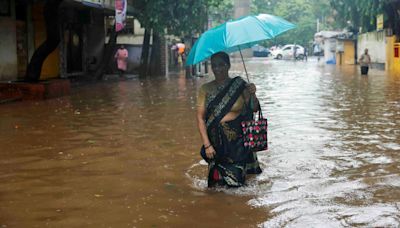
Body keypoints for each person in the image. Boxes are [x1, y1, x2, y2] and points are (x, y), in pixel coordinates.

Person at [196, 52, 262, 188]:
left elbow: (254, 109)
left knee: (237, 185)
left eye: (221, 65)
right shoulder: (205, 89)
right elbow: (200, 118)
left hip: (237, 144)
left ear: (228, 65)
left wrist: (253, 93)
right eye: (214, 65)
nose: (217, 69)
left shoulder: (239, 85)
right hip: (215, 144)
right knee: (215, 186)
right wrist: (207, 145)